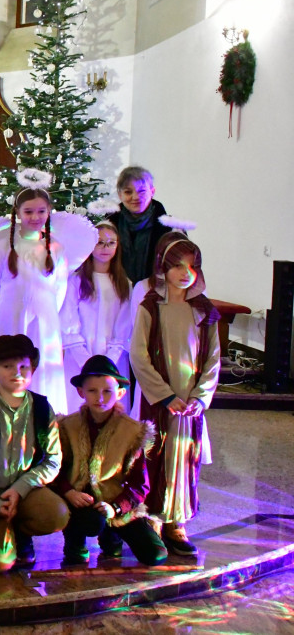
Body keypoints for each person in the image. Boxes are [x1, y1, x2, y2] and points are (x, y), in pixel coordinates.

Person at [0, 181, 97, 414]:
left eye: (41, 211)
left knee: (42, 369)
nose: (35, 217)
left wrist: (44, 313)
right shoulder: (1, 247)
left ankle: (44, 418)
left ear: (48, 212)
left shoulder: (55, 249)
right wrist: (3, 317)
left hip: (44, 321)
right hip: (9, 317)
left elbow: (59, 290)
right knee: (10, 362)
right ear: (17, 212)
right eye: (28, 211)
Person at [130, 232, 220, 556]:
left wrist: (199, 397)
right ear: (162, 267)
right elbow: (138, 355)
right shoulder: (150, 307)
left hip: (190, 404)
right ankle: (154, 517)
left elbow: (213, 359)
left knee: (185, 458)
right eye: (178, 266)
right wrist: (165, 396)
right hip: (162, 401)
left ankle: (177, 521)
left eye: (193, 267)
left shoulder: (204, 310)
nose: (186, 273)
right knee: (156, 457)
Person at [0, 334, 69, 572]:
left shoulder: (42, 408)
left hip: (25, 490)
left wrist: (21, 489)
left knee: (56, 514)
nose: (17, 372)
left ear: (33, 368)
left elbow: (53, 460)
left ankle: (21, 532)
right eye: (8, 366)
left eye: (23, 366)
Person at [54, 355, 168, 566]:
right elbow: (56, 469)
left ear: (120, 393)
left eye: (107, 391)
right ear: (81, 392)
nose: (100, 398)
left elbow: (140, 484)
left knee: (155, 555)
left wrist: (116, 507)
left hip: (115, 501)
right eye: (92, 391)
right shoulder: (67, 426)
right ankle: (75, 542)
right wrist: (68, 491)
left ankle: (112, 534)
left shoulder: (133, 431)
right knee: (90, 522)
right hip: (80, 501)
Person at [60, 222, 133, 413]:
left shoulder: (124, 284)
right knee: (77, 411)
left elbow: (124, 324)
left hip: (114, 359)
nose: (105, 248)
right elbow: (68, 321)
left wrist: (109, 361)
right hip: (79, 359)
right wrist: (86, 361)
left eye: (111, 243)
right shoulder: (75, 280)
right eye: (100, 242)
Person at [107, 166, 170, 283]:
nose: (135, 197)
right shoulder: (108, 225)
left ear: (152, 192)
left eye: (142, 191)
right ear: (120, 195)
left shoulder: (170, 229)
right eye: (128, 192)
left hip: (154, 294)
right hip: (116, 292)